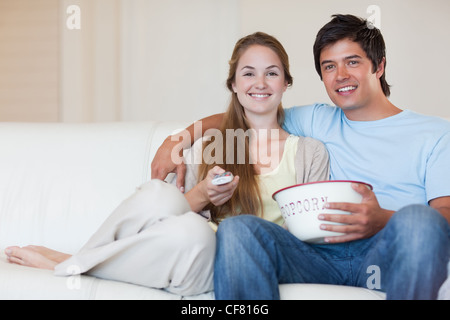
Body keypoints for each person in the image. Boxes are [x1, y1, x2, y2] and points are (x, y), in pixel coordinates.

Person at [4, 32, 329, 296]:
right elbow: (170, 218)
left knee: (197, 235)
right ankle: (80, 258)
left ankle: (68, 262)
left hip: (231, 266)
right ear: (233, 84)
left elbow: (304, 237)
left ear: (286, 82)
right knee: (162, 201)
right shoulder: (213, 144)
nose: (260, 83)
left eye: (271, 73)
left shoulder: (309, 152)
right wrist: (202, 194)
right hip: (191, 248)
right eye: (248, 73)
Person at [151, 15, 450, 300]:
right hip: (318, 254)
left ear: (379, 66)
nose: (341, 75)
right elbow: (251, 110)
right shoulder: (319, 119)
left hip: (390, 251)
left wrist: (381, 219)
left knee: (418, 220)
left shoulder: (435, 133)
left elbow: (445, 216)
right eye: (329, 66)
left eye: (352, 62)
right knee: (239, 229)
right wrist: (177, 139)